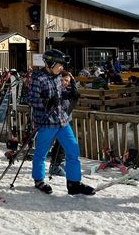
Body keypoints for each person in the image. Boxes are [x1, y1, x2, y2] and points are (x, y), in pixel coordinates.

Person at [29, 49, 95, 195]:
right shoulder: (38, 78)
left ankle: (74, 183)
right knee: (41, 153)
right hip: (46, 122)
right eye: (59, 64)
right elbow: (33, 100)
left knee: (73, 150)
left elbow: (59, 96)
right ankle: (39, 180)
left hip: (62, 120)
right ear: (50, 63)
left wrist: (69, 93)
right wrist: (47, 103)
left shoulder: (58, 77)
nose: (62, 68)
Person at [48, 70, 78, 176]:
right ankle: (55, 165)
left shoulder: (65, 90)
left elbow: (75, 95)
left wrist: (73, 81)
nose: (66, 83)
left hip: (66, 118)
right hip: (58, 120)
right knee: (61, 143)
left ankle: (58, 163)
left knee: (63, 144)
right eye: (64, 80)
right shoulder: (57, 90)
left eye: (68, 81)